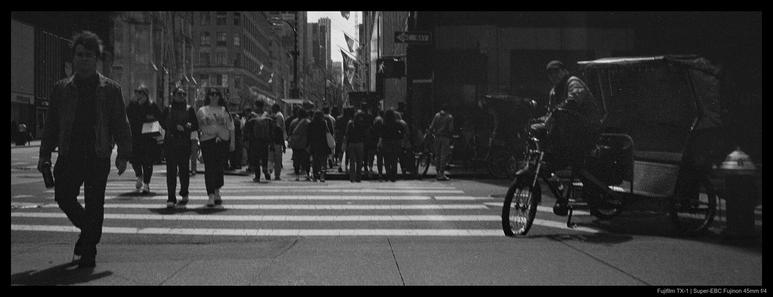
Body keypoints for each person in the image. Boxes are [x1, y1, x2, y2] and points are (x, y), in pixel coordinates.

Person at [37, 31, 131, 268]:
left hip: (98, 154)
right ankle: (89, 232)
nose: (84, 59)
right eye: (79, 55)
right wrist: (44, 155)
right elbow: (51, 125)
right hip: (69, 154)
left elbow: (121, 123)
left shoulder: (111, 89)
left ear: (96, 59)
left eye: (88, 55)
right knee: (63, 197)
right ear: (73, 59)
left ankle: (88, 249)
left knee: (94, 202)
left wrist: (123, 154)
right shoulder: (61, 89)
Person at [538, 60, 603, 215]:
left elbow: (573, 100)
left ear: (563, 71)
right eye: (550, 74)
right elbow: (551, 112)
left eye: (556, 72)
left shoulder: (573, 82)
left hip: (586, 130)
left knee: (575, 161)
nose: (553, 76)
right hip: (570, 133)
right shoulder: (554, 91)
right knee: (548, 162)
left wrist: (557, 111)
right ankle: (562, 193)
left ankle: (592, 198)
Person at [160, 87, 198, 208]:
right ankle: (171, 197)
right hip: (170, 143)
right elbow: (162, 122)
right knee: (171, 171)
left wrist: (187, 127)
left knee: (184, 171)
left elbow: (195, 124)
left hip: (184, 143)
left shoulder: (189, 109)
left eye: (183, 94)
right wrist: (172, 127)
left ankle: (184, 192)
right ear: (174, 95)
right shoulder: (168, 109)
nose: (181, 96)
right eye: (179, 94)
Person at [197, 89, 235, 207]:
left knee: (219, 167)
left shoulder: (224, 111)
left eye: (216, 94)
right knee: (209, 168)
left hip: (222, 141)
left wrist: (232, 143)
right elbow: (197, 127)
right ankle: (211, 195)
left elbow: (231, 127)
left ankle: (217, 190)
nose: (214, 96)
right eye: (211, 94)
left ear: (220, 97)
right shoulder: (201, 111)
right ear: (208, 96)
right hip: (207, 141)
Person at [126, 84, 163, 194]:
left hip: (148, 139)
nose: (137, 94)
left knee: (148, 162)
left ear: (146, 95)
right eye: (136, 92)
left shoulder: (152, 106)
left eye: (140, 92)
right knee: (134, 160)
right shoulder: (132, 106)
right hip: (135, 137)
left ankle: (146, 184)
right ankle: (139, 176)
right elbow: (125, 118)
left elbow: (160, 118)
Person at [244, 100, 273, 182]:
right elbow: (271, 129)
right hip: (265, 141)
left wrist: (246, 140)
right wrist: (271, 141)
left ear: (256, 106)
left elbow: (247, 129)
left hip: (255, 141)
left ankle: (257, 176)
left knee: (255, 158)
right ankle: (265, 171)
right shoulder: (267, 116)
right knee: (264, 157)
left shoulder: (252, 116)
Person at [379, 109, 407, 182]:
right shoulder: (397, 123)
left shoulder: (383, 124)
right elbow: (403, 131)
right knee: (394, 160)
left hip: (386, 142)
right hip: (395, 142)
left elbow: (381, 134)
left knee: (386, 159)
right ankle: (393, 175)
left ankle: (388, 174)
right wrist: (399, 136)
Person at [429, 103, 454, 181]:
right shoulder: (449, 117)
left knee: (437, 155)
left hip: (437, 137)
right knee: (444, 156)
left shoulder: (437, 115)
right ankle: (441, 173)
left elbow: (431, 126)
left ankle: (437, 173)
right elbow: (451, 129)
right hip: (445, 138)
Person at [344, 110, 368, 182]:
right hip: (360, 143)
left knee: (352, 161)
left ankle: (352, 177)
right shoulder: (362, 124)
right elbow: (365, 134)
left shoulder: (350, 123)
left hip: (351, 143)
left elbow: (347, 134)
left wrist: (345, 143)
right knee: (359, 161)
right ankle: (358, 177)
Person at [307, 110, 332, 182]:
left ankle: (315, 175)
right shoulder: (323, 123)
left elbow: (308, 135)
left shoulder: (311, 123)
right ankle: (322, 176)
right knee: (323, 161)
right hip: (323, 144)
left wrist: (308, 144)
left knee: (315, 161)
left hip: (314, 145)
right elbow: (327, 133)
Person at [288, 109, 311, 181]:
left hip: (296, 144)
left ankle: (297, 175)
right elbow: (310, 133)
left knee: (296, 160)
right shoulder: (308, 122)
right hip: (305, 144)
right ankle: (307, 174)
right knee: (306, 160)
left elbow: (290, 132)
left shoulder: (293, 122)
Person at [269, 103, 286, 180]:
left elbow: (278, 129)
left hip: (276, 141)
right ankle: (276, 175)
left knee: (275, 159)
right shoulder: (279, 115)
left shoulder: (278, 116)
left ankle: (275, 174)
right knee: (276, 159)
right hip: (277, 141)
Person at [335, 107, 354, 173]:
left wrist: (336, 138)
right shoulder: (350, 119)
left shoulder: (338, 118)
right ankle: (346, 166)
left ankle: (340, 165)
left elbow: (336, 129)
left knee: (341, 152)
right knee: (348, 153)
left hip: (340, 138)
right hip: (348, 138)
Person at [189, 100, 205, 176]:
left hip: (193, 137)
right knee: (192, 155)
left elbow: (198, 127)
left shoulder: (196, 118)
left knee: (193, 155)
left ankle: (193, 169)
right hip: (191, 136)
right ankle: (192, 169)